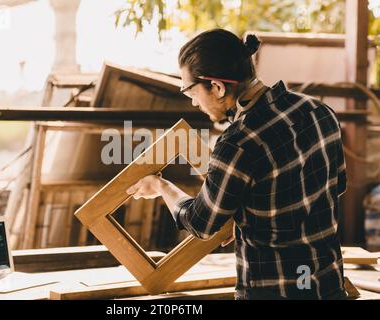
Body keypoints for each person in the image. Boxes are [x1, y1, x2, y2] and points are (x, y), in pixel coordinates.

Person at [126, 28, 347, 300]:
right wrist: (246, 211)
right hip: (328, 284)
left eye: (190, 92)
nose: (194, 103)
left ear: (217, 87)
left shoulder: (238, 142)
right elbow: (335, 186)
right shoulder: (318, 111)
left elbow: (201, 223)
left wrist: (162, 186)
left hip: (274, 290)